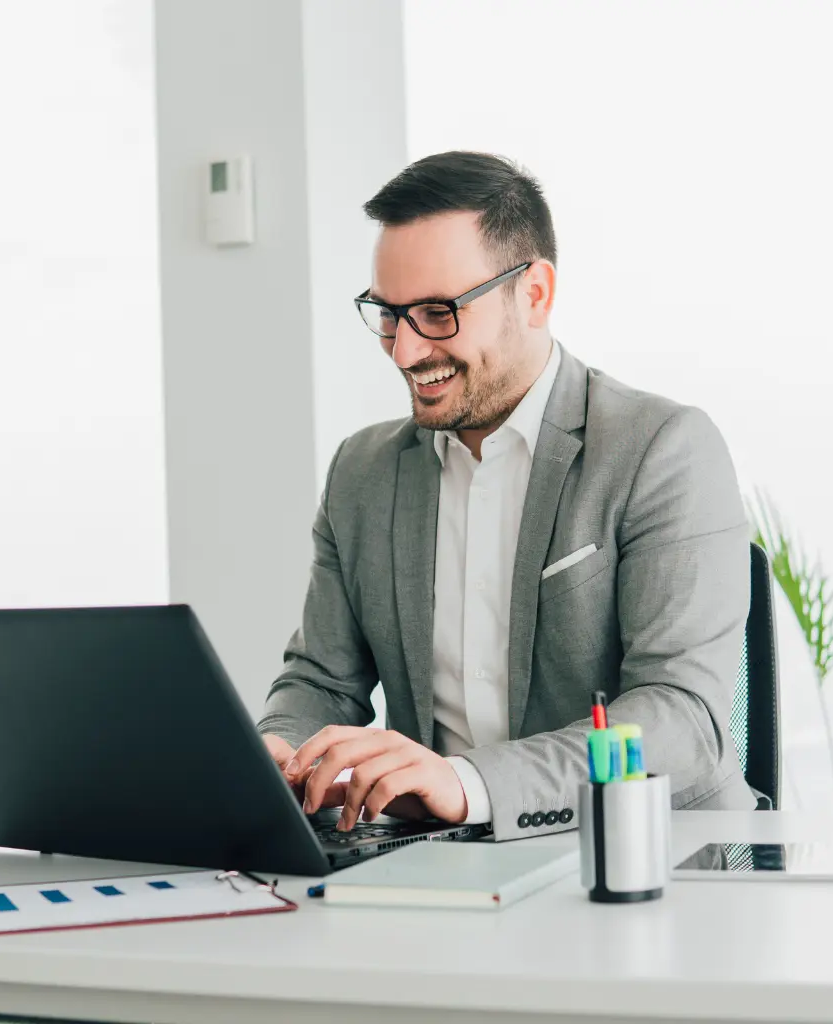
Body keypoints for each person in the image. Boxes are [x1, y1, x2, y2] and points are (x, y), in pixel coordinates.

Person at [257, 151, 756, 841]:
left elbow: (681, 719)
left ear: (535, 294)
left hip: (643, 863)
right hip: (440, 866)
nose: (404, 351)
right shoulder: (362, 473)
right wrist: (280, 749)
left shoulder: (662, 448)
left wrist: (465, 783)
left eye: (438, 312)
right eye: (388, 313)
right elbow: (321, 679)